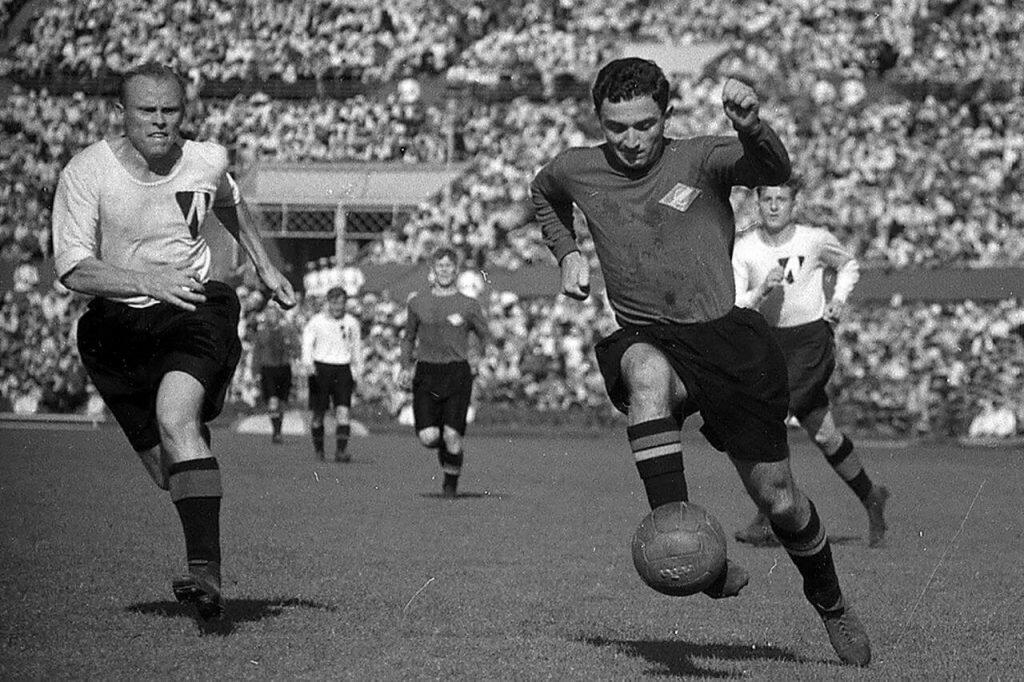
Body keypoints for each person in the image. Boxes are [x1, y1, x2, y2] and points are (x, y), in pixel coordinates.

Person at [530, 58, 871, 666]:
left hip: (727, 342)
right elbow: (543, 192)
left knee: (780, 500)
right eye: (616, 127)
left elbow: (772, 170)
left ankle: (831, 601)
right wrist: (567, 253)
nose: (631, 140)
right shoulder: (576, 168)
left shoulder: (702, 157)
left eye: (644, 125)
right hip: (649, 333)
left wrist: (752, 126)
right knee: (644, 373)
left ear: (666, 116)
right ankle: (686, 547)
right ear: (598, 121)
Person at [51, 63, 296, 621]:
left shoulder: (206, 159)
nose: (160, 122)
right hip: (116, 328)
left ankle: (205, 575)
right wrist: (144, 281)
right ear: (121, 113)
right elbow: (73, 268)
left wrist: (264, 266)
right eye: (147, 111)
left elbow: (229, 201)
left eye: (171, 111)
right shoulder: (86, 172)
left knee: (175, 417)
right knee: (167, 470)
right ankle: (189, 447)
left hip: (192, 307)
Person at [733, 179, 890, 548]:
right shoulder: (745, 249)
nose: (774, 206)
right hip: (770, 345)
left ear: (795, 204)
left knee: (770, 417)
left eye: (781, 199)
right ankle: (872, 496)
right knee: (824, 433)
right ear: (757, 203)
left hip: (810, 341)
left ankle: (769, 514)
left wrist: (838, 300)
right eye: (767, 199)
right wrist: (762, 290)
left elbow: (848, 265)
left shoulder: (814, 240)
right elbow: (738, 303)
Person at [399, 247, 490, 499]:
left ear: (456, 270)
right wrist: (405, 366)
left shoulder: (469, 304)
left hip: (456, 373)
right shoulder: (417, 302)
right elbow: (408, 337)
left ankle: (450, 485)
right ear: (432, 270)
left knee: (452, 435)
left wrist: (479, 357)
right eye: (440, 266)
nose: (445, 270)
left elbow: (484, 335)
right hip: (426, 373)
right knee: (429, 437)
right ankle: (448, 451)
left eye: (449, 266)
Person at [301, 286, 363, 462]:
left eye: (341, 303)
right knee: (318, 413)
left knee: (343, 411)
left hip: (343, 369)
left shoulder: (352, 323)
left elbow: (357, 348)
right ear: (328, 303)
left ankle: (341, 451)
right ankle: (319, 450)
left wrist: (358, 372)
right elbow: (307, 343)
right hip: (321, 369)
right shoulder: (316, 322)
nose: (338, 307)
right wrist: (308, 363)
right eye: (334, 303)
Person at [252, 302, 297, 444]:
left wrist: (294, 353)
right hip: (268, 369)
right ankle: (276, 432)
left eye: (274, 314)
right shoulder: (262, 332)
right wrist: (255, 372)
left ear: (278, 315)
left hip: (284, 368)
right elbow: (256, 354)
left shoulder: (287, 330)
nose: (271, 317)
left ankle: (279, 429)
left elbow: (296, 347)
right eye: (269, 314)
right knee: (272, 400)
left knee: (282, 402)